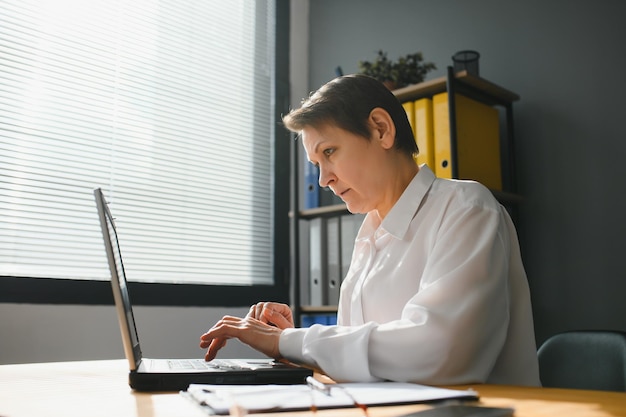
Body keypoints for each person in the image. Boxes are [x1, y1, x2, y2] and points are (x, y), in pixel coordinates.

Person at [200, 74, 541, 386]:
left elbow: (440, 351)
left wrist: (288, 341)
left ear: (381, 129)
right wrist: (293, 343)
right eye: (316, 164)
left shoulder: (467, 207)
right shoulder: (368, 236)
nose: (323, 179)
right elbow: (369, 361)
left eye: (329, 152)